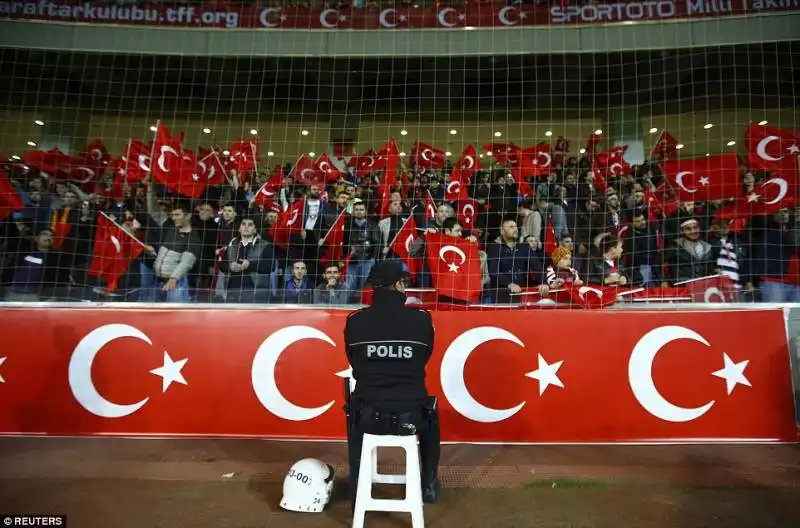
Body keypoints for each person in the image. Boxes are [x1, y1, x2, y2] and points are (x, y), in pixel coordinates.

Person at [343, 260, 441, 509]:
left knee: (354, 403)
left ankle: (357, 485)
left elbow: (354, 361)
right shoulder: (421, 320)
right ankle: (428, 484)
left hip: (367, 416)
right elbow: (424, 357)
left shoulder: (355, 321)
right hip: (412, 417)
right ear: (397, 284)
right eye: (404, 282)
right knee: (431, 409)